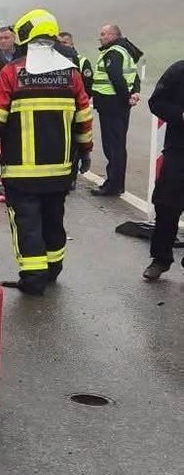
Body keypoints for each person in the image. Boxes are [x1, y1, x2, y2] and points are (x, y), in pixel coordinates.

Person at [0, 7, 92, 295]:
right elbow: (83, 119)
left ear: (25, 35)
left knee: (26, 222)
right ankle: (53, 269)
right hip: (60, 169)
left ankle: (33, 278)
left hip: (21, 170)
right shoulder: (71, 74)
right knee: (54, 218)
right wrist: (86, 152)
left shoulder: (11, 73)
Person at [142, 58, 184, 281]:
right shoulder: (178, 70)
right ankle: (160, 259)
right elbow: (156, 102)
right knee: (167, 205)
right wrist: (181, 114)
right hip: (179, 150)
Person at [89, 23, 143, 197]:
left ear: (113, 35)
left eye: (104, 34)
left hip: (112, 105)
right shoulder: (124, 51)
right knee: (117, 144)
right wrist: (133, 92)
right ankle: (116, 183)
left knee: (113, 146)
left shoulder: (114, 52)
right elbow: (133, 75)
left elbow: (116, 78)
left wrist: (125, 97)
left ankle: (113, 185)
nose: (101, 37)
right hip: (116, 104)